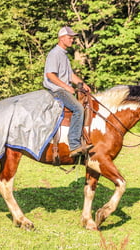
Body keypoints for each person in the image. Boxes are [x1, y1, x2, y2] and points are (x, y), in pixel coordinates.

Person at [43, 26, 93, 157]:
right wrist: (66, 87)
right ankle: (74, 145)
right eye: (70, 38)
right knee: (78, 109)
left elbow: (70, 75)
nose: (72, 40)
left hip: (62, 89)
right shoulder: (55, 54)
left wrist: (83, 84)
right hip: (57, 91)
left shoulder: (63, 55)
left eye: (72, 38)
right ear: (62, 38)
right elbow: (50, 74)